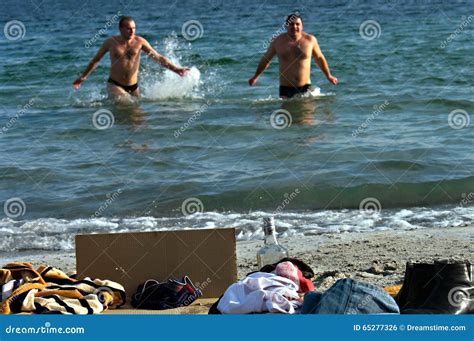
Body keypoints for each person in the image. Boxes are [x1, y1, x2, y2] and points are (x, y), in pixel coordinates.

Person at [73, 16, 189, 97]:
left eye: (134, 28)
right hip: (115, 84)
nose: (132, 31)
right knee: (125, 104)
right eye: (128, 28)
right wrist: (83, 77)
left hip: (134, 86)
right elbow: (96, 60)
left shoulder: (140, 42)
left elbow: (157, 57)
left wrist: (176, 69)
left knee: (137, 119)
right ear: (121, 29)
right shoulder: (110, 42)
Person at [248, 13, 338, 98]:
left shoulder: (310, 40)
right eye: (291, 24)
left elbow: (319, 58)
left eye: (297, 24)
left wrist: (328, 76)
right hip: (285, 88)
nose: (294, 27)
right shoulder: (277, 41)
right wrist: (256, 76)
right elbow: (266, 60)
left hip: (305, 88)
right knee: (286, 113)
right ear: (286, 26)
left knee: (307, 114)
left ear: (302, 26)